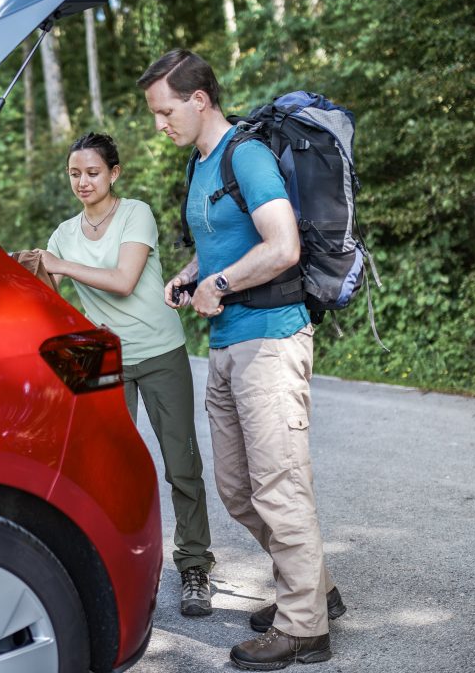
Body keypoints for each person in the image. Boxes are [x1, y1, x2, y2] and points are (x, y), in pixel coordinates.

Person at [137, 49, 345, 670]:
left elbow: (282, 245)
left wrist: (220, 286)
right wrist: (190, 276)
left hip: (270, 339)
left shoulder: (246, 155)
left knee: (279, 487)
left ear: (199, 100)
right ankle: (315, 591)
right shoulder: (201, 167)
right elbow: (224, 244)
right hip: (227, 345)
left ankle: (304, 627)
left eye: (165, 111)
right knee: (236, 489)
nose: (159, 124)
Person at [35, 131, 216, 617]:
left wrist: (61, 265)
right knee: (105, 470)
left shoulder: (136, 213)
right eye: (74, 173)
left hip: (159, 351)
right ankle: (115, 566)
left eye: (92, 172)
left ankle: (195, 564)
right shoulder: (62, 235)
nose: (83, 182)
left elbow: (123, 280)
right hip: (104, 360)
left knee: (181, 465)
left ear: (113, 173)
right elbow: (47, 305)